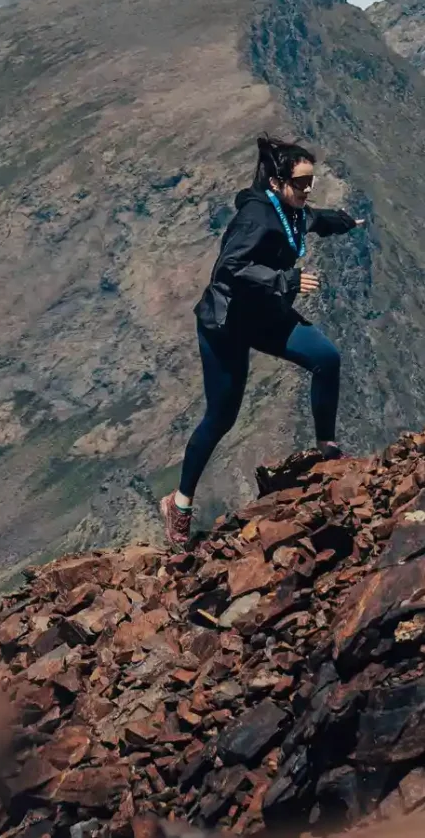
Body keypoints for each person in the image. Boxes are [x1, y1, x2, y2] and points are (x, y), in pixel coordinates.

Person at [160, 134, 365, 547]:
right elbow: (229, 270)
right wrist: (284, 279)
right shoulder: (255, 218)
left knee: (326, 358)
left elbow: (311, 219)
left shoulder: (290, 208)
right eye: (300, 184)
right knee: (221, 417)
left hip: (265, 316)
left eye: (311, 183)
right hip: (228, 324)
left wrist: (342, 220)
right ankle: (179, 504)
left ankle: (327, 447)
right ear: (276, 182)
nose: (307, 191)